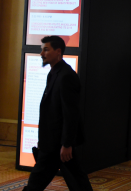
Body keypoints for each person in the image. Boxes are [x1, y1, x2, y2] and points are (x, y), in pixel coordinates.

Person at [23, 36, 93, 191]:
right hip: (53, 141)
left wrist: (67, 144)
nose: (42, 53)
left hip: (58, 142)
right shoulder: (55, 73)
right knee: (75, 178)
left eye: (46, 49)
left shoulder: (66, 76)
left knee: (39, 179)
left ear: (58, 51)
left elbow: (70, 113)